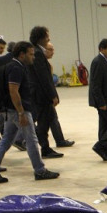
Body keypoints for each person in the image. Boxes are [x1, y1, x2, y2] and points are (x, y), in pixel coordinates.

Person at [0, 41, 60, 183]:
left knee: (6, 140)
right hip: (19, 111)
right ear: (22, 54)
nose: (33, 57)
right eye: (31, 54)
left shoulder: (14, 66)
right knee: (32, 140)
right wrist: (21, 113)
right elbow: (13, 91)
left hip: (11, 111)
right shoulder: (16, 68)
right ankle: (40, 170)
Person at [28, 26, 64, 159]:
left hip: (40, 94)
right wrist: (53, 95)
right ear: (41, 38)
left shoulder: (36, 51)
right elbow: (44, 78)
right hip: (41, 95)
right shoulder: (37, 53)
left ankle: (45, 147)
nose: (49, 38)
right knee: (43, 122)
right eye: (47, 36)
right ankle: (45, 148)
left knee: (45, 121)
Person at [44, 42, 74, 147]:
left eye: (53, 49)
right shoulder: (41, 64)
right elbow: (46, 82)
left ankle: (60, 140)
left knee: (52, 118)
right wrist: (53, 96)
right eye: (50, 49)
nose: (53, 52)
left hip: (47, 97)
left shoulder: (47, 64)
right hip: (42, 98)